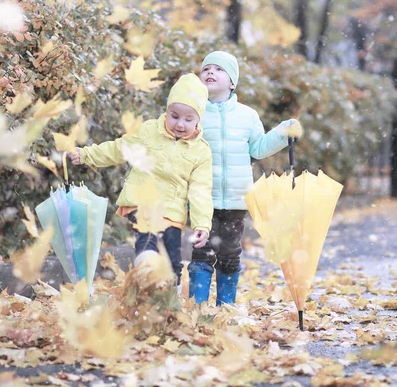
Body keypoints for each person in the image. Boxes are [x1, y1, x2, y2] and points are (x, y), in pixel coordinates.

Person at [68, 74, 213, 290]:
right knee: (148, 240)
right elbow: (119, 148)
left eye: (188, 119)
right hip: (144, 200)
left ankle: (169, 298)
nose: (180, 124)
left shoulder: (201, 151)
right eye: (174, 116)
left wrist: (202, 223)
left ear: (198, 120)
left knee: (172, 261)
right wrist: (87, 155)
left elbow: (200, 190)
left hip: (172, 211)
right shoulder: (148, 131)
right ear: (167, 111)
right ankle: (145, 269)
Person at [189, 51, 303, 306]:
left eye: (219, 69)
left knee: (230, 253)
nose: (210, 72)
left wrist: (283, 132)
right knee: (202, 253)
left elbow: (259, 148)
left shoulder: (247, 115)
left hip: (236, 200)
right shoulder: (193, 112)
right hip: (202, 199)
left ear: (232, 82)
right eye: (206, 69)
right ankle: (195, 308)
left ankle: (226, 308)